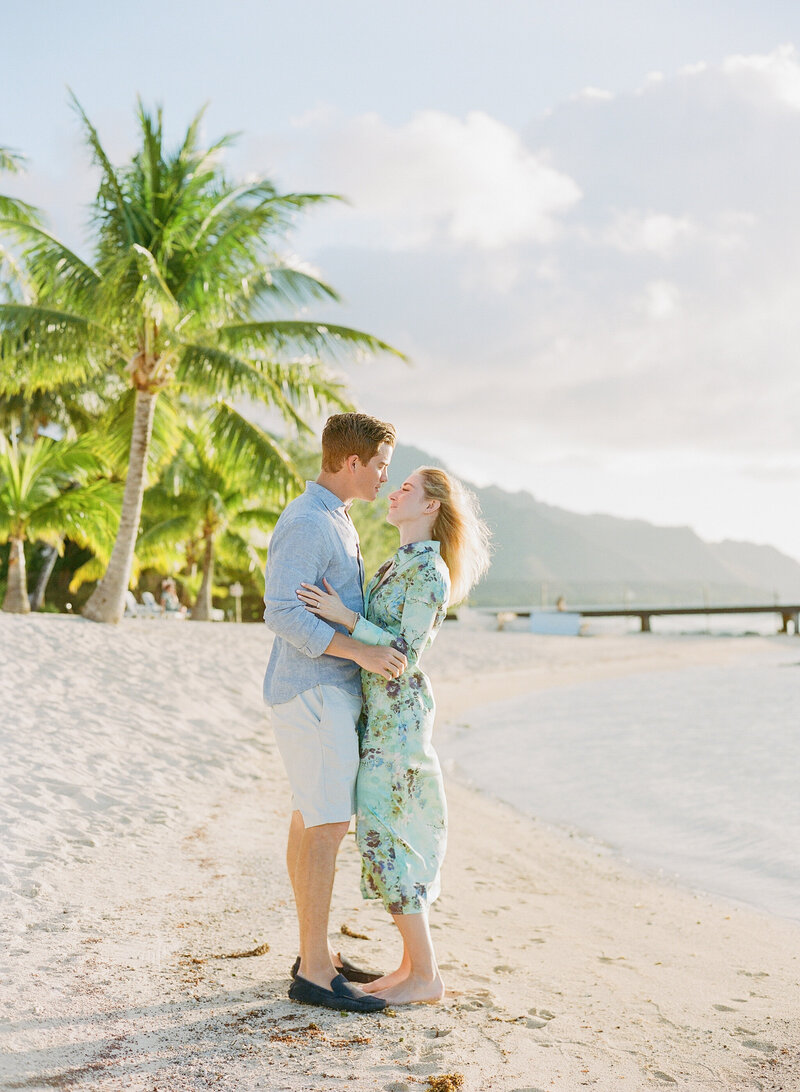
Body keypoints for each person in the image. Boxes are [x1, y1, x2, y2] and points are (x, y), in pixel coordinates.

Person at [297, 467, 491, 1005]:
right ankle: (411, 968)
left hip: (397, 720)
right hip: (379, 718)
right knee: (386, 832)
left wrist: (341, 617)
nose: (395, 490)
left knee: (387, 837)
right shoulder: (401, 561)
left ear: (430, 507)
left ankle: (426, 976)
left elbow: (403, 657)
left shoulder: (429, 572)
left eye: (408, 487)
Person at [262, 412, 406, 1014]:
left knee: (310, 817)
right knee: (326, 825)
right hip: (314, 690)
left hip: (317, 691)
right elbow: (281, 613)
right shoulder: (308, 523)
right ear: (352, 463)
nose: (382, 478)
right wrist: (365, 653)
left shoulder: (332, 519)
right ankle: (317, 972)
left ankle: (312, 952)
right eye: (378, 466)